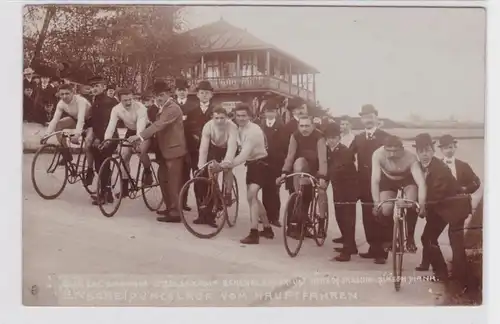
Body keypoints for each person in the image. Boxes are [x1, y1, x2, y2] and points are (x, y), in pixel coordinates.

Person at [414, 133, 469, 285]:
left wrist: (421, 205)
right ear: (417, 153)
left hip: (452, 208)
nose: (424, 154)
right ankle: (444, 273)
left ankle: (446, 275)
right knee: (428, 238)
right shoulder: (423, 165)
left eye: (427, 150)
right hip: (442, 208)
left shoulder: (439, 168)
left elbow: (436, 195)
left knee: (432, 238)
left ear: (433, 150)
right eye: (420, 151)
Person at [129, 80, 187, 223]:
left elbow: (159, 125)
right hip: (164, 150)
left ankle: (175, 212)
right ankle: (169, 207)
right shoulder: (163, 107)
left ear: (168, 94)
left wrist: (140, 136)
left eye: (161, 95)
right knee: (163, 179)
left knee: (173, 182)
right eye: (156, 96)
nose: (159, 98)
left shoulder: (173, 108)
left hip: (174, 150)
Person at [370, 135, 427, 263]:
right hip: (388, 180)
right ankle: (389, 239)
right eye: (388, 150)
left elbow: (421, 183)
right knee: (386, 209)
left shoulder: (410, 157)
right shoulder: (378, 154)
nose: (391, 154)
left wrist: (421, 204)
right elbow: (375, 180)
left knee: (411, 203)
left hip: (407, 179)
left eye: (395, 151)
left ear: (402, 149)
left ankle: (410, 237)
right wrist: (376, 203)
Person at [222, 103, 273, 244]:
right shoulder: (239, 127)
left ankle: (254, 232)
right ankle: (267, 228)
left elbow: (243, 155)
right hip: (252, 165)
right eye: (238, 116)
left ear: (249, 116)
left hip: (262, 164)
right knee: (253, 199)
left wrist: (226, 165)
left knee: (251, 196)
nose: (241, 118)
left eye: (244, 115)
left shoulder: (253, 131)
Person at [350, 104, 391, 261]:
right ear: (361, 119)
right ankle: (373, 248)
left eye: (370, 116)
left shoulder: (385, 137)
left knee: (381, 215)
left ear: (376, 117)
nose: (367, 120)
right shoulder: (358, 138)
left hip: (382, 183)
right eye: (364, 117)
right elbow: (348, 156)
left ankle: (382, 252)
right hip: (364, 183)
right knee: (367, 215)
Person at [277, 116, 328, 239]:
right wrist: (284, 171)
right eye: (301, 126)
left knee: (321, 192)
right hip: (301, 167)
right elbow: (290, 155)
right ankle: (298, 194)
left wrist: (322, 176)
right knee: (298, 162)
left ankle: (321, 223)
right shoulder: (295, 135)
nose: (304, 129)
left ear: (313, 126)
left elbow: (323, 159)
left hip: (317, 167)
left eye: (307, 126)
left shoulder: (319, 137)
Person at [101, 88, 152, 197]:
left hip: (144, 130)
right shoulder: (116, 109)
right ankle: (124, 189)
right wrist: (107, 139)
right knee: (124, 156)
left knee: (140, 151)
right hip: (130, 131)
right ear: (119, 100)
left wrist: (138, 138)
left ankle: (148, 171)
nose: (128, 102)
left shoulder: (140, 107)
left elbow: (141, 125)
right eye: (125, 100)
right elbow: (111, 125)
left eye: (130, 99)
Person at [194, 106, 238, 226]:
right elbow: (203, 148)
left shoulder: (232, 127)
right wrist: (201, 166)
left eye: (222, 118)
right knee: (210, 170)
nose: (219, 121)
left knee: (228, 168)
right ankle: (213, 203)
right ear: (212, 118)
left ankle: (228, 194)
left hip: (228, 147)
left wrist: (226, 164)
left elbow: (232, 146)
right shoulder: (208, 126)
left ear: (227, 118)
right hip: (214, 147)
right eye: (216, 118)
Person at [324, 123, 359, 262]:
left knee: (347, 219)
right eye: (329, 138)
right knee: (340, 216)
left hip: (349, 189)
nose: (331, 140)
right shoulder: (328, 150)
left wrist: (323, 177)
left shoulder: (344, 151)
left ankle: (347, 252)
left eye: (334, 138)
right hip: (339, 188)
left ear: (339, 138)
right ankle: (351, 246)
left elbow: (336, 169)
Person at [87, 75, 120, 205]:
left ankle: (103, 194)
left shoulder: (107, 102)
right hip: (104, 136)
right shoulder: (97, 100)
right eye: (92, 86)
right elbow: (94, 120)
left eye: (97, 86)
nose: (94, 88)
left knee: (102, 164)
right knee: (103, 164)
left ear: (104, 87)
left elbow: (106, 123)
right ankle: (108, 193)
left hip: (108, 137)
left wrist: (99, 139)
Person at [43, 83, 92, 167]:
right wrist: (47, 135)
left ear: (73, 93)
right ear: (59, 94)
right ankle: (67, 154)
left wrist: (76, 135)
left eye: (67, 93)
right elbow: (55, 119)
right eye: (62, 94)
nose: (64, 96)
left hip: (90, 121)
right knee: (58, 125)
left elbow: (81, 119)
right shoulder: (61, 103)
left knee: (88, 144)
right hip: (75, 119)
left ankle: (90, 169)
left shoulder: (81, 101)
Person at [259, 101, 287, 227]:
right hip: (264, 161)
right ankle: (265, 215)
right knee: (265, 189)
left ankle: (274, 217)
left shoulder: (282, 127)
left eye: (273, 111)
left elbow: (284, 145)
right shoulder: (260, 126)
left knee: (275, 189)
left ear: (276, 113)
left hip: (276, 162)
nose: (270, 114)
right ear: (264, 113)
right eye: (268, 111)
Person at [438, 134, 481, 212]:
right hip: (443, 205)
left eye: (450, 147)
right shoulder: (437, 166)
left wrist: (466, 189)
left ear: (455, 147)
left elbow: (476, 181)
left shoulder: (463, 165)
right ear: (441, 150)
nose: (448, 150)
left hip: (461, 203)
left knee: (459, 223)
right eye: (445, 148)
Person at [175, 78, 196, 211]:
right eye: (179, 90)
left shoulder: (193, 106)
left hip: (189, 144)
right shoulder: (171, 105)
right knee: (176, 174)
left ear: (187, 92)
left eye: (184, 90)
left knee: (187, 173)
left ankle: (184, 202)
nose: (182, 93)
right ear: (176, 92)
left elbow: (194, 124)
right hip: (175, 143)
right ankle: (176, 202)